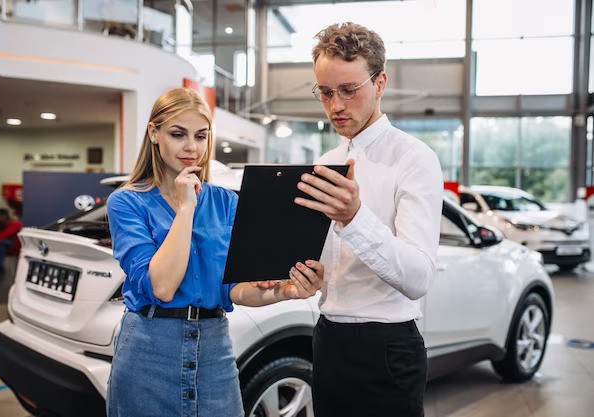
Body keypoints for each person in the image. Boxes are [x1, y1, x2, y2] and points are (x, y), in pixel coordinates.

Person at [105, 87, 323, 417]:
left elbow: (234, 288)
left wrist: (285, 291)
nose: (192, 147)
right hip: (149, 350)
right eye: (178, 134)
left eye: (201, 136)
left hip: (214, 349)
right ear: (154, 133)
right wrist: (186, 208)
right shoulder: (126, 202)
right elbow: (162, 286)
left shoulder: (227, 203)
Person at [294, 23, 443, 417]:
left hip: (389, 350)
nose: (335, 106)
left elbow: (418, 278)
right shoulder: (325, 164)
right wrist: (302, 277)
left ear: (379, 83)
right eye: (325, 92)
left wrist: (354, 217)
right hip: (327, 340)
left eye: (348, 90)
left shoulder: (414, 158)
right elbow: (324, 268)